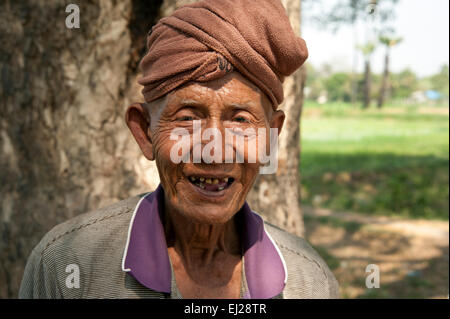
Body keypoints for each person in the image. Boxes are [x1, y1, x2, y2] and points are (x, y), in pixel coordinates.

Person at [19, 0, 339, 299]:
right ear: (145, 131)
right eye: (188, 118)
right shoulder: (66, 266)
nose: (215, 150)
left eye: (240, 120)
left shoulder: (308, 280)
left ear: (270, 137)